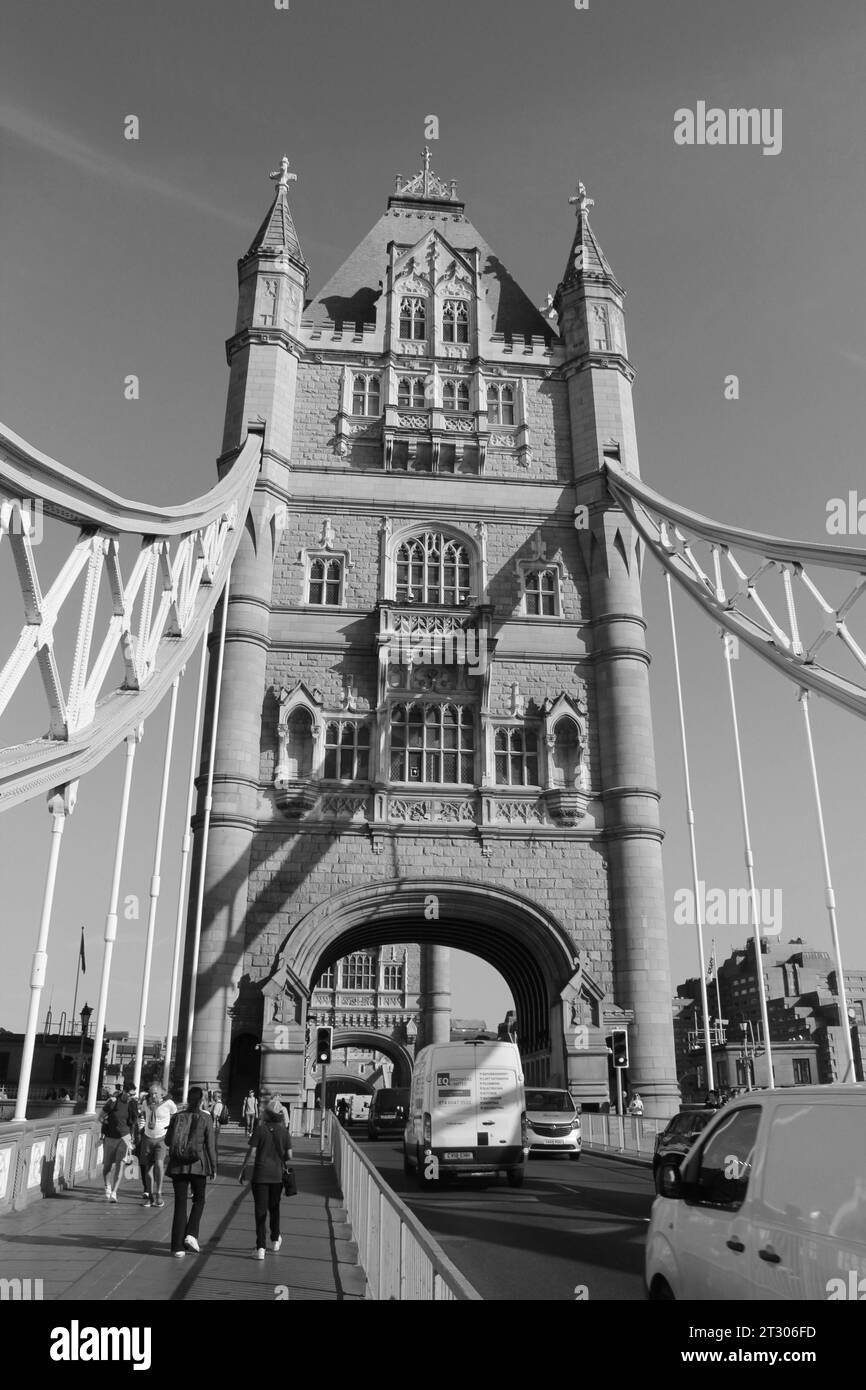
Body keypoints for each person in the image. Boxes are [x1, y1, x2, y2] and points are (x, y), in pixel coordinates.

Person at [165, 1087, 217, 1257]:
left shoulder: (177, 1116)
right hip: (198, 1165)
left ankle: (177, 1248)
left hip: (178, 1165)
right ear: (202, 1100)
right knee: (199, 1200)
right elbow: (210, 1145)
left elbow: (167, 1141)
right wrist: (214, 1167)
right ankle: (191, 1233)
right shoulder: (205, 1118)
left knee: (180, 1204)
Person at [239, 1097, 293, 1259]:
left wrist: (243, 1169)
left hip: (260, 1175)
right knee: (274, 1207)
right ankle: (275, 1239)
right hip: (277, 1176)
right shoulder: (284, 1131)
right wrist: (280, 1157)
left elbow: (252, 1152)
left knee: (260, 1210)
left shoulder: (260, 1130)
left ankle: (260, 1247)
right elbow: (289, 1155)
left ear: (267, 1114)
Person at [140, 1082, 177, 1209]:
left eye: (156, 1093)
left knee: (159, 1164)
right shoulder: (146, 1103)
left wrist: (171, 1133)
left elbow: (174, 1117)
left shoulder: (169, 1104)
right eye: (151, 1093)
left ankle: (159, 1193)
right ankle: (150, 1194)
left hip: (162, 1138)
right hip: (147, 1137)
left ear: (162, 1093)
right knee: (148, 1168)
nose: (153, 1095)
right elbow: (145, 1116)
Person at [100, 1089, 134, 1201]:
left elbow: (133, 1122)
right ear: (124, 1092)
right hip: (110, 1137)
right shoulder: (113, 1101)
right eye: (130, 1094)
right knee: (107, 1167)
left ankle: (114, 1193)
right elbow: (100, 1117)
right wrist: (107, 1123)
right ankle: (107, 1186)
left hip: (125, 1138)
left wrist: (132, 1138)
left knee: (120, 1165)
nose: (132, 1096)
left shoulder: (132, 1104)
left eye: (133, 1094)